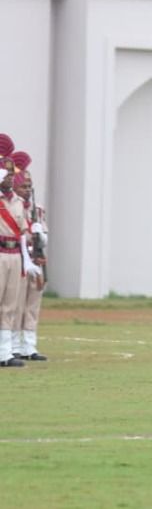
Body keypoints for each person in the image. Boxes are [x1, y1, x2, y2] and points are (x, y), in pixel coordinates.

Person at [0, 135, 39, 368]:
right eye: (7, 174)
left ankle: (4, 352)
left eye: (12, 174)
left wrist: (28, 260)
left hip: (15, 256)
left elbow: (23, 233)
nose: (10, 178)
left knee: (10, 304)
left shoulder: (15, 201)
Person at [11, 151, 48, 361]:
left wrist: (39, 234)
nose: (26, 190)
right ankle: (13, 345)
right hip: (18, 258)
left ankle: (29, 346)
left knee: (32, 305)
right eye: (23, 186)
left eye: (29, 186)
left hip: (36, 259)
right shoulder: (13, 206)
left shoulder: (38, 210)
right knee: (16, 304)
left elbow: (45, 238)